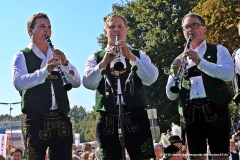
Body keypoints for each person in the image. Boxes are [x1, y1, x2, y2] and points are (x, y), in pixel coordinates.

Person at [82, 14, 158, 160]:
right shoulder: (95, 57)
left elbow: (151, 78)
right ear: (105, 32)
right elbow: (88, 83)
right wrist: (104, 62)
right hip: (107, 116)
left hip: (135, 114)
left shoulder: (138, 54)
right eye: (112, 27)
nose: (116, 30)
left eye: (120, 27)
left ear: (126, 30)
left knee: (143, 157)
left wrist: (131, 57)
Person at [12, 13, 81, 160]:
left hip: (61, 117)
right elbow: (19, 83)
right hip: (35, 118)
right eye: (42, 26)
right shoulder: (22, 55)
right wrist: (45, 71)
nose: (47, 30)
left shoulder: (57, 54)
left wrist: (65, 64)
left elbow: (77, 82)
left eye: (49, 27)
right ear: (30, 31)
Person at [166, 12, 233, 160]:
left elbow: (228, 74)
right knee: (195, 157)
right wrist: (175, 73)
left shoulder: (218, 50)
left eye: (194, 25)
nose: (190, 29)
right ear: (184, 32)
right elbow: (171, 95)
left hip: (216, 106)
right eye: (186, 27)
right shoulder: (178, 58)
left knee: (220, 155)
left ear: (204, 28)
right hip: (190, 112)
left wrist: (199, 61)